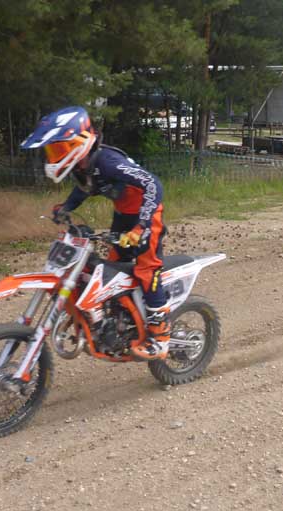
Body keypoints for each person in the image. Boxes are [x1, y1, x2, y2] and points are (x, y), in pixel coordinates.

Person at [20, 106, 170, 360]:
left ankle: (160, 335)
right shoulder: (83, 166)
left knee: (147, 269)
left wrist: (141, 226)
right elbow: (87, 188)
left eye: (58, 149)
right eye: (52, 151)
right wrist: (66, 208)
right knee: (113, 268)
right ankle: (121, 320)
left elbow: (152, 184)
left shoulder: (108, 162)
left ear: (79, 143)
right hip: (123, 214)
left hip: (146, 215)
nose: (54, 156)